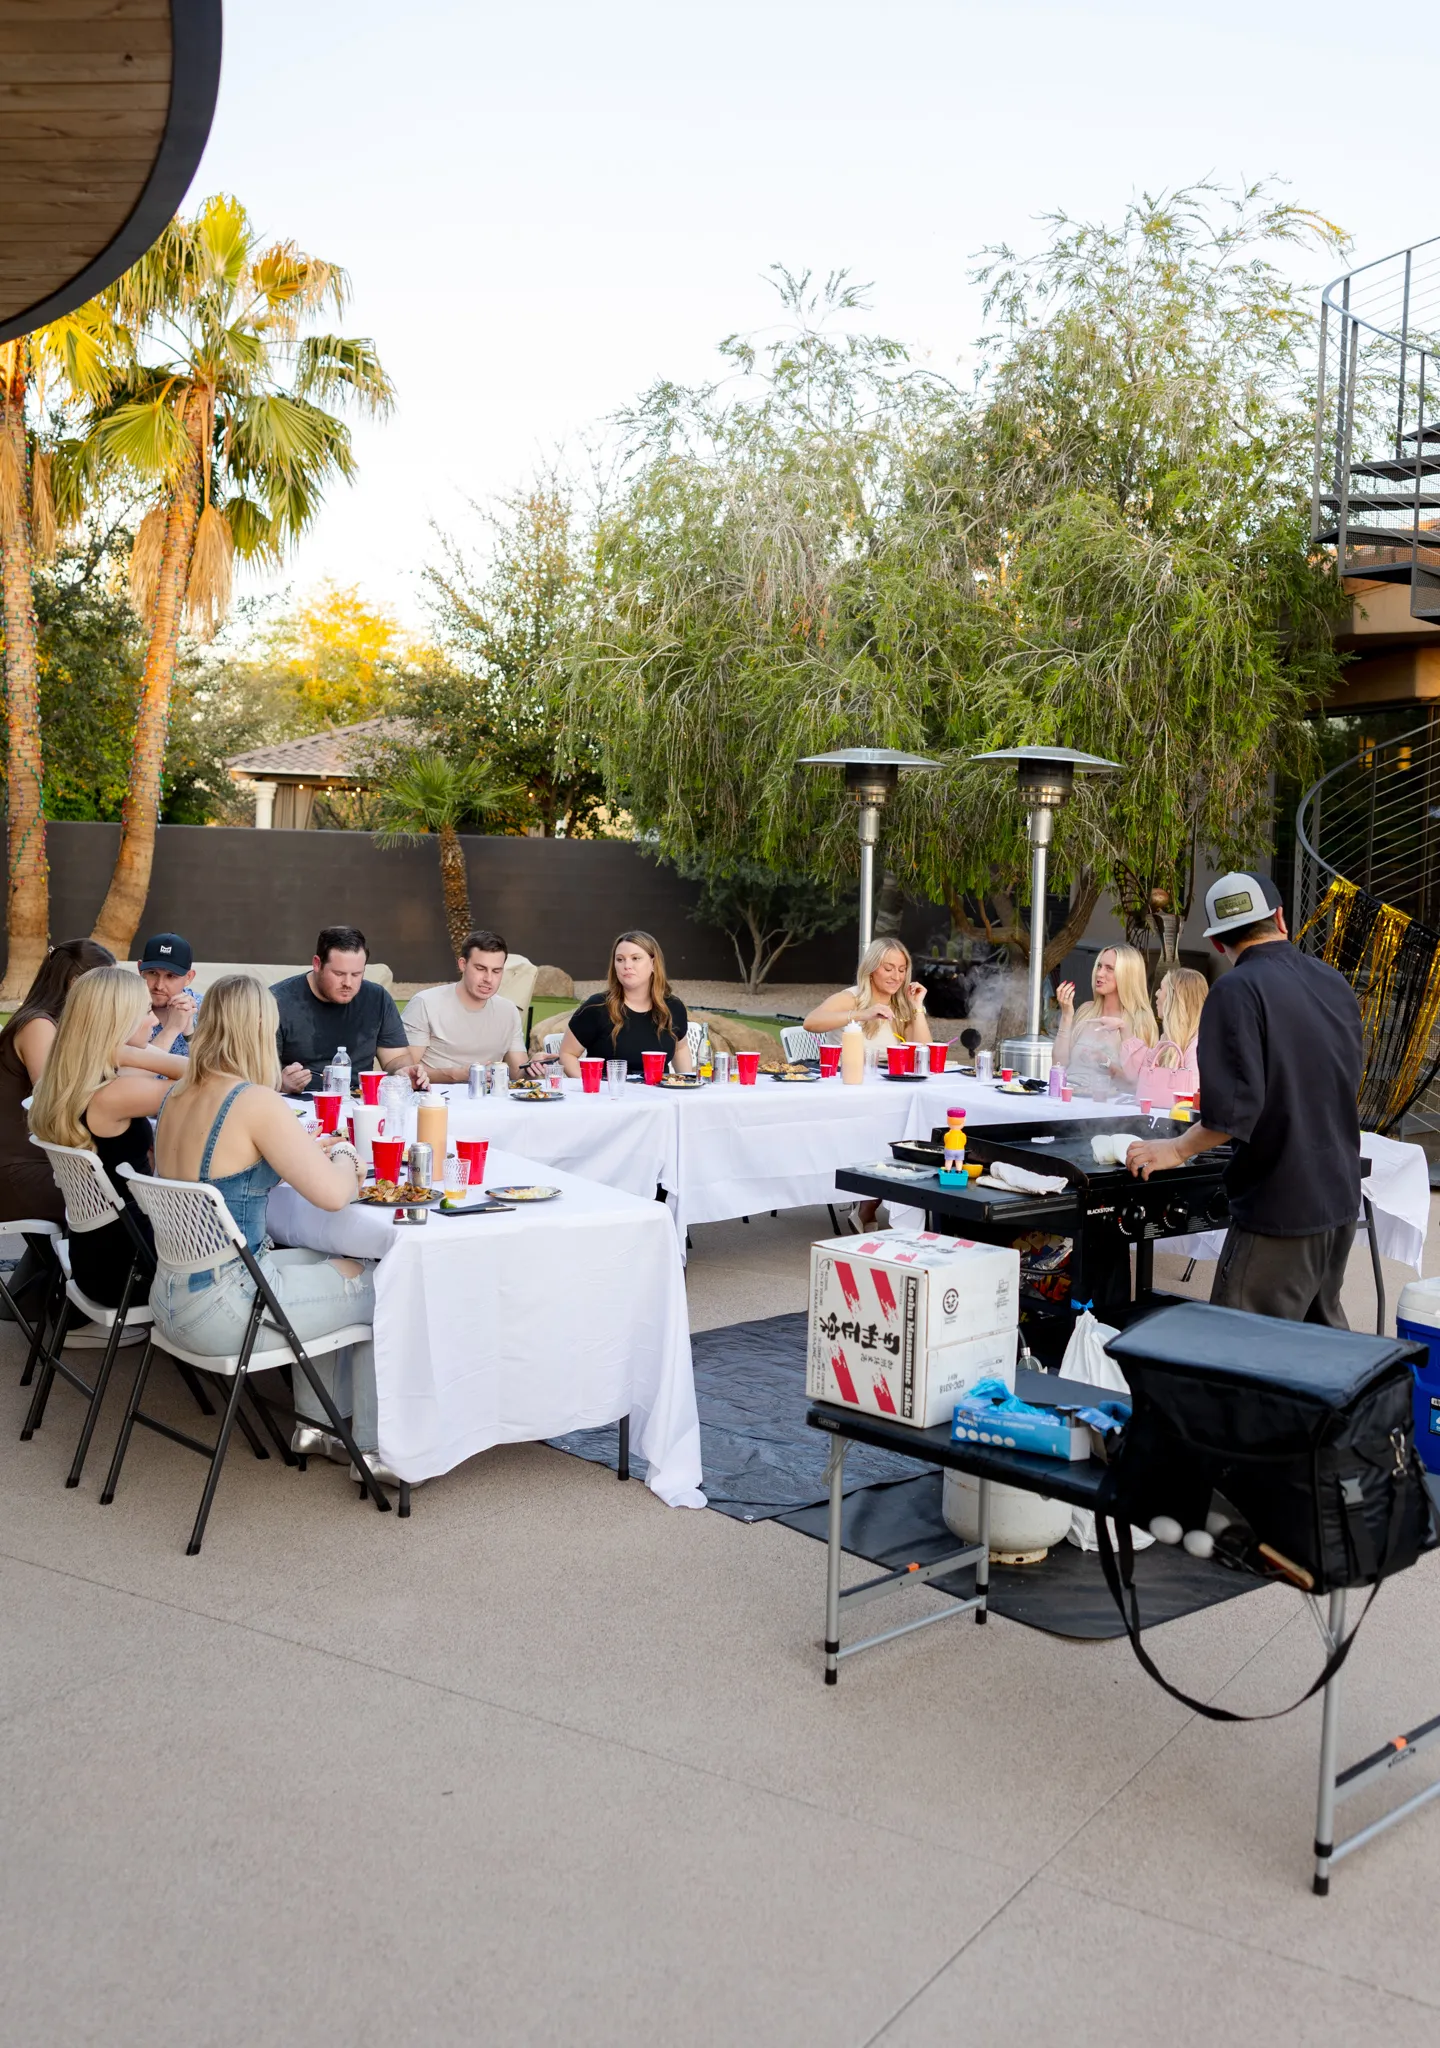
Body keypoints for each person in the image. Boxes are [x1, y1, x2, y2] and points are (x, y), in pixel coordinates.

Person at [149, 975, 397, 1481]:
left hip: (170, 1297)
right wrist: (347, 1153)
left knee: (334, 1263)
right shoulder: (254, 1101)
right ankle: (374, 1452)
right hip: (228, 1309)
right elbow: (333, 1196)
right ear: (260, 1029)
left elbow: (225, 1161)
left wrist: (306, 1154)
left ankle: (317, 1428)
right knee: (386, 1284)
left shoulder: (176, 1093)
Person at [1127, 872, 1362, 1326]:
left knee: (1241, 1353)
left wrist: (1174, 1149)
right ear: (1280, 918)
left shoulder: (1236, 990)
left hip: (1280, 1206)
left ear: (1217, 944)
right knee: (1319, 1352)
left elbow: (1233, 1114)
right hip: (1339, 1198)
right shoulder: (1333, 983)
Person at [28, 966, 188, 1310]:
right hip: (131, 1269)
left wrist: (121, 1052)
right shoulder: (115, 1093)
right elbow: (218, 1082)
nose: (154, 1021)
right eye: (146, 1012)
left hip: (95, 1254)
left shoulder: (71, 1079)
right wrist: (131, 1052)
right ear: (119, 1023)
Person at [0, 939, 116, 1322]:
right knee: (117, 1204)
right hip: (16, 1172)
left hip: (31, 1163)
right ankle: (81, 1313)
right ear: (75, 984)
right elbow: (54, 1100)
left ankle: (65, 1303)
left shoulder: (52, 1024)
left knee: (118, 1190)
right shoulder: (38, 1025)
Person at [271, 926, 429, 1095]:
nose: (348, 983)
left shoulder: (377, 998)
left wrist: (403, 1073)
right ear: (317, 964)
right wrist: (280, 1082)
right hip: (298, 1101)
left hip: (358, 1099)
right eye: (339, 973)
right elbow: (250, 1071)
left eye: (356, 974)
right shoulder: (276, 1002)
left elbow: (395, 1058)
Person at [403, 930, 545, 1082]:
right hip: (434, 1099)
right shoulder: (425, 1003)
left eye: (496, 971)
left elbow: (518, 1074)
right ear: (463, 964)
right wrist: (455, 1075)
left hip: (489, 1101)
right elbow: (404, 1072)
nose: (488, 979)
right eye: (480, 969)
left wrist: (532, 1067)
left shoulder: (508, 1011)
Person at [559, 931, 694, 1076]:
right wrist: (590, 1088)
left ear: (654, 964)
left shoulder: (673, 1007)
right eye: (620, 959)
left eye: (635, 958)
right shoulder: (597, 1008)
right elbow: (567, 1054)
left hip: (659, 1094)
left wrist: (687, 1083)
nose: (627, 965)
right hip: (611, 1094)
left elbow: (680, 1048)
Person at [802, 939, 934, 1063]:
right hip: (846, 1079)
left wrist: (917, 1007)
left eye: (902, 970)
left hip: (889, 1082)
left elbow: (925, 1055)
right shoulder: (851, 998)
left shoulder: (901, 1006)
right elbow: (810, 1022)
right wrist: (861, 1014)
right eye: (888, 969)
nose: (897, 977)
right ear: (871, 969)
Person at [1053, 945, 1157, 1095]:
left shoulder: (1140, 1021)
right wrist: (1066, 1016)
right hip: (1069, 1097)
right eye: (1099, 966)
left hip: (1107, 1109)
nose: (1099, 973)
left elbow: (1138, 1084)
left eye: (1109, 968)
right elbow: (1058, 1065)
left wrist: (1107, 1064)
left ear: (1127, 975)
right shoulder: (1086, 1010)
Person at [1126, 966, 1207, 1105]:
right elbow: (1140, 1077)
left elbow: (1194, 1098)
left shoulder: (1198, 1045)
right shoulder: (1168, 1039)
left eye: (1161, 988)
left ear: (1174, 998)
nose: (1156, 994)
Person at [139, 931, 200, 1057]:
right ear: (140, 969)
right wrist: (172, 1028)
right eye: (153, 973)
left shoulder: (207, 1010)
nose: (159, 986)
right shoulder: (122, 1006)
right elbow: (127, 1073)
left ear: (189, 977)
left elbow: (214, 1072)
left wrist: (190, 1035)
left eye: (170, 976)